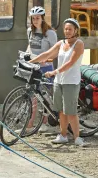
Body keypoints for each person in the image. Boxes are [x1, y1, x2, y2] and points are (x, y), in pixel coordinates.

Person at [31, 18, 85, 147]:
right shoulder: (61, 43)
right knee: (61, 110)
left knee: (70, 112)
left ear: (76, 30)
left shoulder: (79, 44)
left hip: (71, 82)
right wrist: (30, 62)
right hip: (59, 81)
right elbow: (47, 53)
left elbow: (70, 63)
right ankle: (63, 135)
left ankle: (77, 137)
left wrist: (54, 71)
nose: (67, 31)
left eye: (70, 29)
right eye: (66, 29)